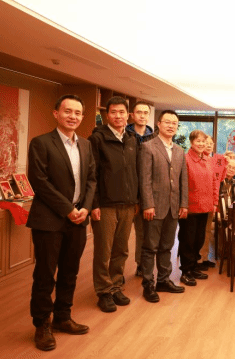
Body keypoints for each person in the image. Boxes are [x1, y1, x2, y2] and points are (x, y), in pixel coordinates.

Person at [27, 95, 96, 351]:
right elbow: (40, 181)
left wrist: (86, 207)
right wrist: (68, 210)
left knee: (70, 271)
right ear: (56, 113)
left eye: (78, 113)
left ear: (82, 116)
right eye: (68, 111)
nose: (73, 116)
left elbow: (92, 179)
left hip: (78, 219)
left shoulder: (86, 145)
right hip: (49, 220)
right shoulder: (41, 143)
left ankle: (63, 317)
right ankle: (42, 324)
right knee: (45, 274)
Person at [89, 97, 139, 313]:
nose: (118, 116)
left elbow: (135, 172)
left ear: (128, 115)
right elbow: (92, 174)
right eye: (113, 112)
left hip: (128, 204)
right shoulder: (97, 139)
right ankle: (103, 291)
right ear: (107, 115)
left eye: (121, 112)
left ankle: (116, 285)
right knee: (104, 250)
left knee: (121, 249)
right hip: (106, 205)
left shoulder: (131, 139)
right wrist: (94, 204)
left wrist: (136, 200)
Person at [139, 110, 189, 303]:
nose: (171, 126)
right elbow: (145, 179)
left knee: (167, 246)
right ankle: (148, 284)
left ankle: (163, 280)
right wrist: (148, 204)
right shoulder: (148, 147)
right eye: (167, 122)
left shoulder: (179, 150)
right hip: (154, 206)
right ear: (159, 124)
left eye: (174, 123)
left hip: (173, 206)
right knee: (150, 247)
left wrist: (183, 203)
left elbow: (183, 180)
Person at [180, 130, 218, 287]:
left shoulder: (208, 160)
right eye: (198, 141)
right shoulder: (185, 159)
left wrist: (214, 202)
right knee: (188, 240)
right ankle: (186, 271)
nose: (201, 144)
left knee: (199, 239)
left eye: (204, 141)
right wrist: (182, 205)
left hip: (206, 206)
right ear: (191, 142)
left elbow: (214, 182)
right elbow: (181, 184)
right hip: (190, 206)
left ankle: (194, 266)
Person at [126, 101, 158, 278]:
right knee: (120, 237)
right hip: (126, 193)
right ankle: (116, 272)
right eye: (139, 112)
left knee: (143, 234)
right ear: (132, 115)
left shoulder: (154, 138)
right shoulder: (124, 135)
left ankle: (141, 265)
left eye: (146, 113)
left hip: (146, 195)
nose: (142, 116)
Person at [200, 136, 227, 270]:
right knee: (199, 231)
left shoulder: (215, 160)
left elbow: (220, 179)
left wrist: (225, 164)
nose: (209, 145)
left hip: (212, 199)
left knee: (206, 230)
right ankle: (198, 259)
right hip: (200, 199)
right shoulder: (200, 160)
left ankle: (204, 257)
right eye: (206, 143)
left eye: (211, 143)